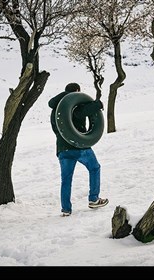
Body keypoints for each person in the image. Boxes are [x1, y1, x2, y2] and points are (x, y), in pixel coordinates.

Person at [48, 82, 109, 217]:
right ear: (76, 91)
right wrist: (97, 105)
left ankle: (66, 209)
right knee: (94, 168)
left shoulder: (56, 110)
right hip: (79, 146)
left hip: (63, 149)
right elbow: (80, 113)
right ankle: (94, 199)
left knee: (66, 179)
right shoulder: (72, 106)